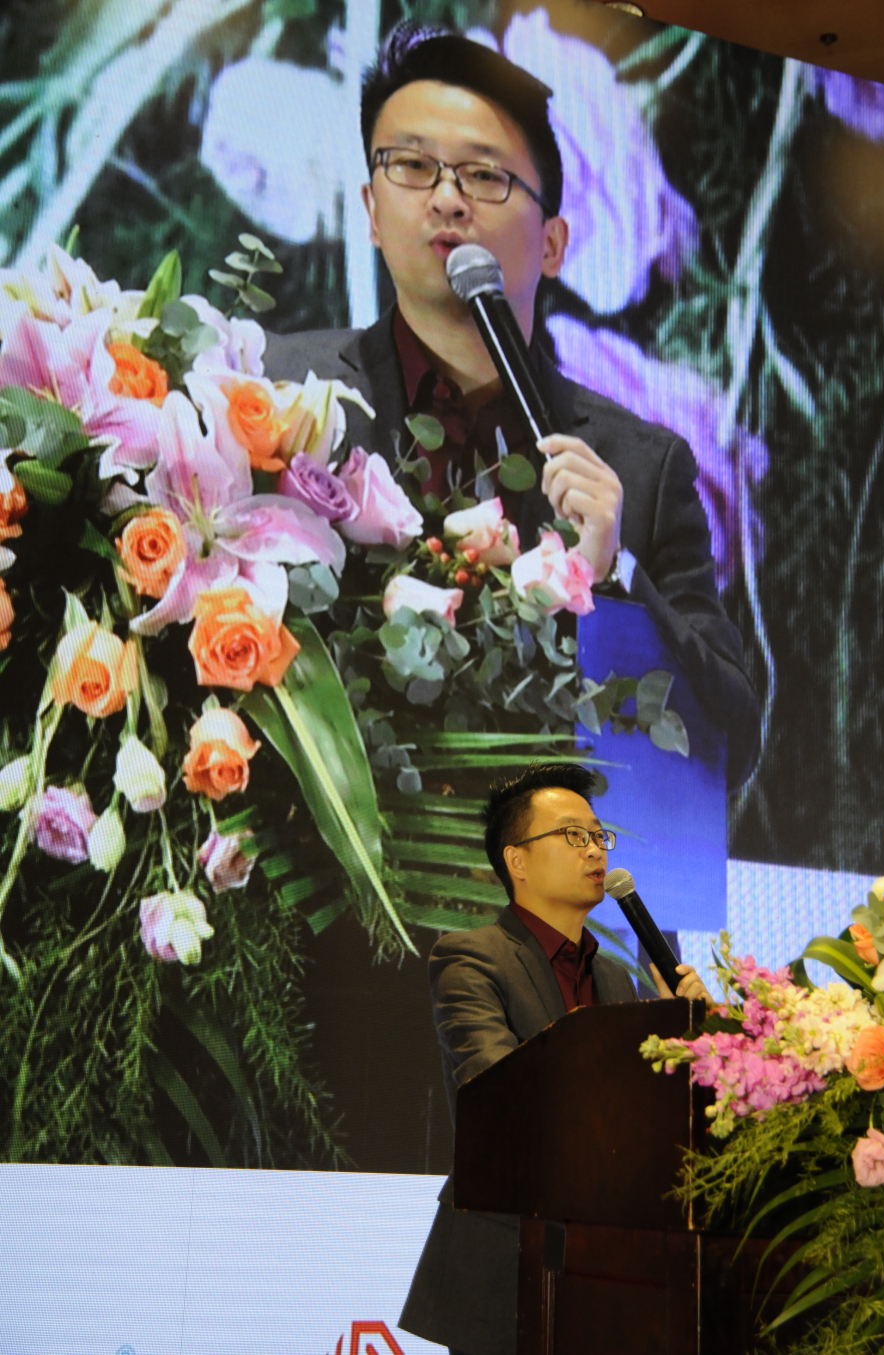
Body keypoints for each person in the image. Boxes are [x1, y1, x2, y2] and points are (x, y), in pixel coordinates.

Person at [264, 23, 761, 791]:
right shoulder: (275, 395)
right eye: (412, 166)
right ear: (370, 210)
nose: (447, 198)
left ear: (554, 243)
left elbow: (731, 747)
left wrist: (614, 574)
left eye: (484, 176)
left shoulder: (641, 471)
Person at [397, 762, 712, 1355]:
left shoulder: (614, 978)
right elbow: (494, 1090)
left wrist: (679, 1033)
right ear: (516, 860)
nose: (595, 849)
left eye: (598, 835)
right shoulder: (470, 958)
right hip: (507, 1264)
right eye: (573, 835)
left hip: (609, 1272)